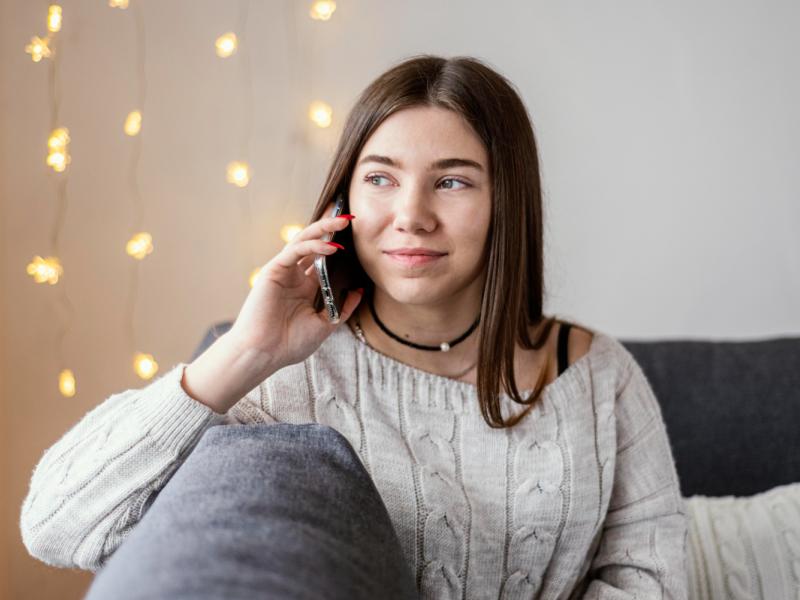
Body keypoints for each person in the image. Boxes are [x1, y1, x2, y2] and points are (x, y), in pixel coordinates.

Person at [21, 54, 688, 599]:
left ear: (508, 202)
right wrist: (246, 352)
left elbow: (652, 579)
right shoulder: (285, 373)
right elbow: (54, 528)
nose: (411, 215)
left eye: (452, 182)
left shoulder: (595, 374)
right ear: (344, 199)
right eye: (381, 179)